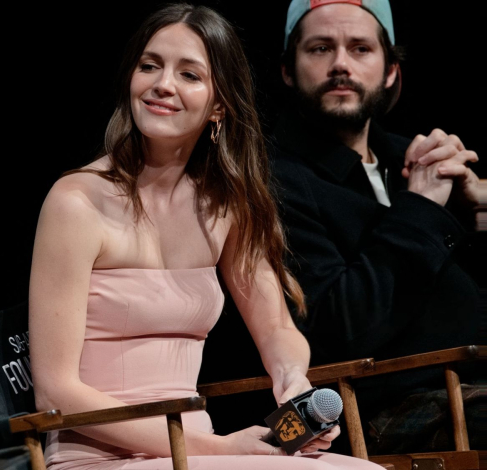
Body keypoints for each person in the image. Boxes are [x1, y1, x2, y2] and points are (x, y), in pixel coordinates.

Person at [28, 3, 385, 469]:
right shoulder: (75, 202)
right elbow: (56, 391)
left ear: (220, 104)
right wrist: (219, 447)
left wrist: (291, 377)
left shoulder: (224, 205)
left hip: (196, 451)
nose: (162, 84)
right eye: (149, 66)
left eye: (189, 74)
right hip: (101, 457)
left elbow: (277, 327)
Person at [269, 0, 483, 455]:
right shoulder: (275, 177)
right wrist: (422, 207)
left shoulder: (411, 157)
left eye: (361, 48)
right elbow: (336, 331)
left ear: (390, 70)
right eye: (321, 48)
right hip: (383, 408)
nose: (340, 64)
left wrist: (481, 210)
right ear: (288, 69)